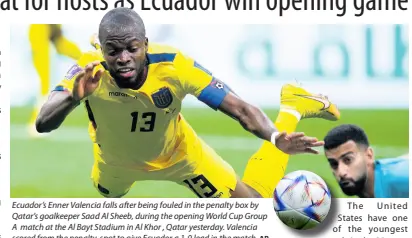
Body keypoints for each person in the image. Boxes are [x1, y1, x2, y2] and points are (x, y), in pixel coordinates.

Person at [35, 8, 340, 198]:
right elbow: (43, 122)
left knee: (253, 211)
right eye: (113, 51)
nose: (124, 58)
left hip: (180, 157)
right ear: (102, 50)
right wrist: (74, 97)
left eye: (132, 48)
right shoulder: (88, 70)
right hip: (114, 166)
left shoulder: (175, 66)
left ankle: (292, 107)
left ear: (146, 44)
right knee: (109, 195)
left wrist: (275, 136)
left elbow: (238, 108)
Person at [324, 124, 409, 198]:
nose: (341, 173)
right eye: (334, 164)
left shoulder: (400, 181)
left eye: (348, 160)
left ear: (369, 155)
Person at [29, 24, 82, 136]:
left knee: (45, 81)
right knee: (45, 80)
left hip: (45, 26)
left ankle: (40, 121)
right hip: (42, 27)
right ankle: (39, 121)